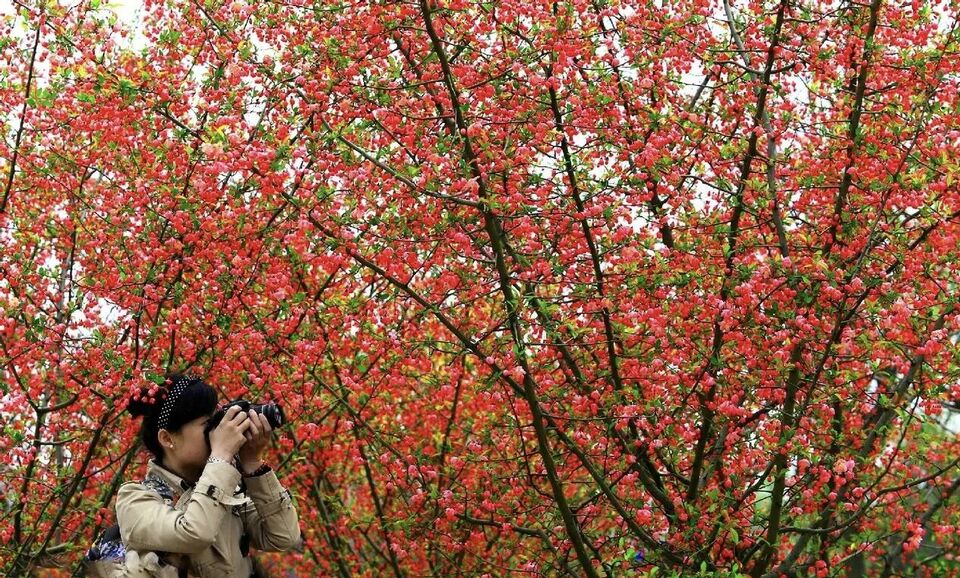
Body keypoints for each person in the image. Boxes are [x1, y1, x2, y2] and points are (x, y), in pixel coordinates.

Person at [116, 373, 301, 578]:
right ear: (167, 438)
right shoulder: (134, 499)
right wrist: (221, 456)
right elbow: (195, 533)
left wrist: (252, 464)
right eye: (208, 425)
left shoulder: (225, 488)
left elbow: (283, 536)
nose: (219, 432)